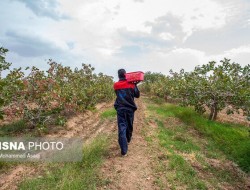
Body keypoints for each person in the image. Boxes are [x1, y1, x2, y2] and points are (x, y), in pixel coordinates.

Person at [113, 69, 140, 156]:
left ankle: (124, 150)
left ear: (118, 76)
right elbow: (137, 95)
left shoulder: (116, 85)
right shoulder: (131, 84)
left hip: (120, 109)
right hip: (130, 109)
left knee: (122, 127)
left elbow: (118, 94)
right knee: (129, 126)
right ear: (126, 75)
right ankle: (127, 140)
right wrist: (135, 84)